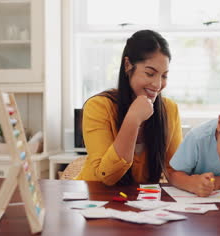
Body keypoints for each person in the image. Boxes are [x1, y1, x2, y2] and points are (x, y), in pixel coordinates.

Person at [74, 30, 182, 185]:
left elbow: (174, 170)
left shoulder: (169, 110)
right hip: (96, 197)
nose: (158, 85)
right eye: (150, 73)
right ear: (127, 65)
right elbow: (107, 176)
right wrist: (133, 119)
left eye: (164, 76)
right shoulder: (98, 107)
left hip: (140, 201)